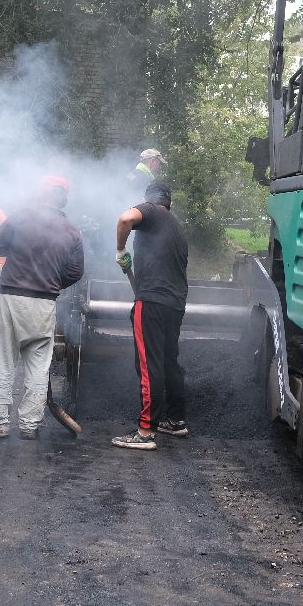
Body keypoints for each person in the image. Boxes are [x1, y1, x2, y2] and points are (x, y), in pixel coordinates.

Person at [0, 175, 84, 440]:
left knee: (3, 358)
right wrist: (52, 281)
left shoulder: (21, 217)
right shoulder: (72, 231)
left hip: (12, 298)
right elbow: (75, 272)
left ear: (43, 194)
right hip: (45, 302)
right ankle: (29, 425)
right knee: (39, 364)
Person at [111, 182, 189, 450]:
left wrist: (121, 249)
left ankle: (145, 432)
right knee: (169, 362)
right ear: (171, 202)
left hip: (152, 302)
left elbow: (125, 219)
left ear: (150, 200)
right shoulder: (177, 228)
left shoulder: (152, 211)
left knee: (148, 365)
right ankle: (175, 420)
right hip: (175, 304)